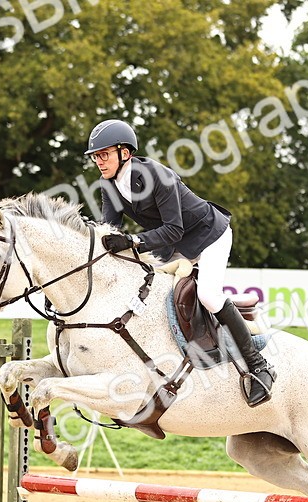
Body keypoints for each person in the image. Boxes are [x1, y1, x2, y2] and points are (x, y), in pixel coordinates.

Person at [85, 119, 275, 407]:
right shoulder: (108, 184)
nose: (99, 161)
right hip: (173, 245)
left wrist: (134, 242)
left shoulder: (157, 176)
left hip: (209, 235)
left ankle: (259, 365)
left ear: (125, 153)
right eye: (96, 157)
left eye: (104, 154)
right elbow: (110, 228)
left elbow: (173, 228)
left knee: (208, 295)